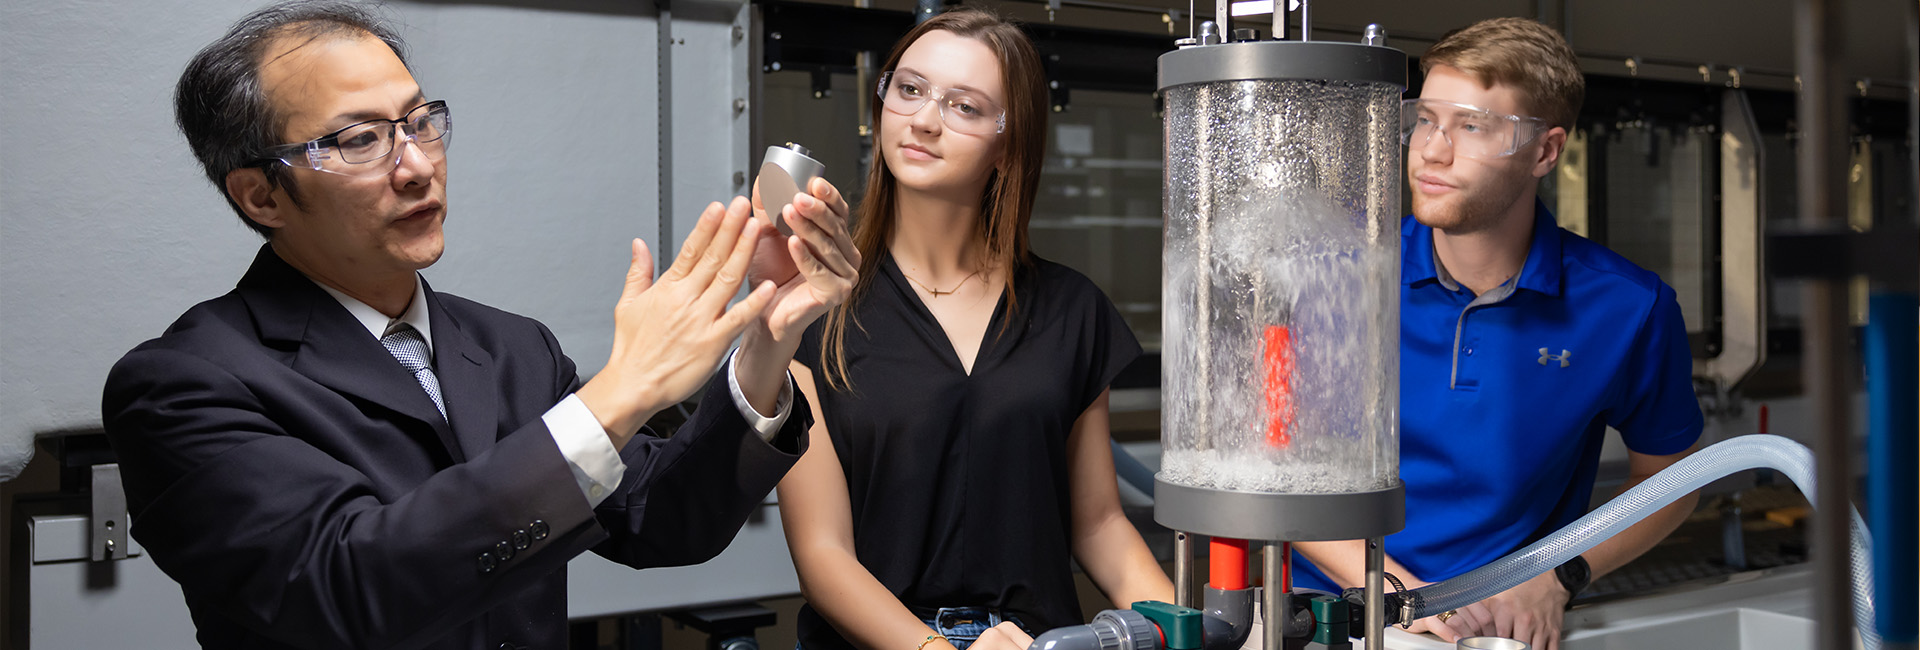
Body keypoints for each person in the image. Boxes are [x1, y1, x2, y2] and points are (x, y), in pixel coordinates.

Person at [99, 2, 858, 648]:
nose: (417, 165)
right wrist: (619, 394)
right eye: (360, 140)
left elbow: (664, 524)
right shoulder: (183, 384)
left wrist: (767, 335)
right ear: (260, 197)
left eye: (419, 121)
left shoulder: (511, 348)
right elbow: (345, 589)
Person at [1292, 17, 1704, 650]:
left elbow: (1672, 482)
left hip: (1497, 630)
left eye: (1472, 126)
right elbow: (1276, 477)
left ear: (1545, 152)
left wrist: (1558, 576)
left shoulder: (1628, 307)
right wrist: (1402, 598)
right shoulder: (1338, 278)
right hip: (1322, 616)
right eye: (1425, 119)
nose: (1432, 149)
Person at [769, 9, 1174, 650]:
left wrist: (1178, 627)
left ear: (1009, 144)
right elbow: (824, 556)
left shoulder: (1072, 311)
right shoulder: (815, 308)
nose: (924, 120)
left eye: (963, 106)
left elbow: (1098, 523)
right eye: (909, 89)